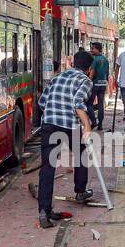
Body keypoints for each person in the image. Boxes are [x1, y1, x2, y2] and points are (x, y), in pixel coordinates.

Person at [36, 48, 95, 228]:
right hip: (68, 125)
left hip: (49, 124)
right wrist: (87, 126)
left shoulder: (57, 77)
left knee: (48, 167)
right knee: (82, 153)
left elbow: (42, 102)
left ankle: (44, 211)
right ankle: (80, 191)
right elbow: (78, 103)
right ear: (89, 69)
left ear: (73, 63)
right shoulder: (85, 80)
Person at [89, 40, 109, 128]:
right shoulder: (105, 59)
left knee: (89, 104)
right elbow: (107, 73)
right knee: (101, 105)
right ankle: (100, 123)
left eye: (93, 48)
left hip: (94, 84)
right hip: (103, 84)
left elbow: (92, 72)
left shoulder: (94, 59)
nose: (92, 50)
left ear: (97, 49)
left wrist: (88, 80)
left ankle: (93, 121)